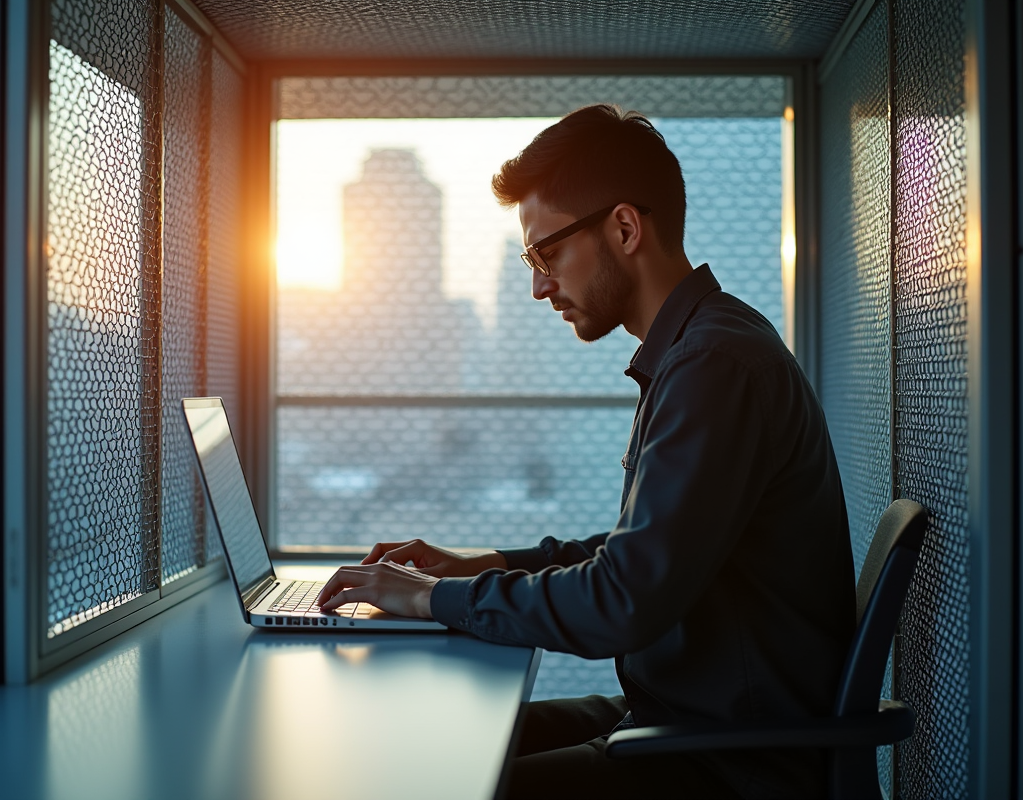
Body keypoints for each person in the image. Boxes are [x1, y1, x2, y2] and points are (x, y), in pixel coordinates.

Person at [316, 104, 855, 800]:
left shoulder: (713, 365)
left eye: (547, 254)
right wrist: (488, 564)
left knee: (435, 782)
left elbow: (622, 600)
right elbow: (645, 554)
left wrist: (434, 598)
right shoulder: (702, 348)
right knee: (437, 743)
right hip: (682, 719)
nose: (539, 285)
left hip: (726, 763)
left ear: (624, 228)